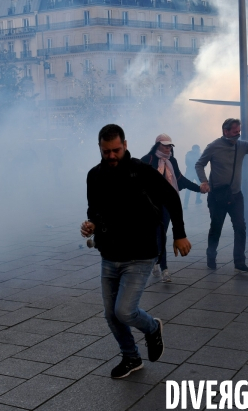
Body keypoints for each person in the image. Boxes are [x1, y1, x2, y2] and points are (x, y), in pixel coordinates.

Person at [80, 124, 192, 379]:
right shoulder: (94, 175)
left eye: (116, 150)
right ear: (99, 147)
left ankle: (152, 328)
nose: (111, 156)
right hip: (109, 254)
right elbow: (94, 209)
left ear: (125, 145)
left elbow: (171, 198)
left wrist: (179, 234)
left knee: (125, 311)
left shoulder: (142, 171)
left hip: (140, 254)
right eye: (106, 151)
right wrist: (91, 224)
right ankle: (131, 357)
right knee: (111, 315)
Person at [195, 118, 248, 272]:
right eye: (234, 132)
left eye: (239, 132)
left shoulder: (241, 145)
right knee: (216, 227)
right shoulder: (214, 146)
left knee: (240, 227)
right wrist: (204, 181)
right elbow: (199, 164)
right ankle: (211, 255)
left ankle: (239, 261)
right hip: (217, 196)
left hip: (235, 194)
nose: (237, 135)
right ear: (225, 131)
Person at [141, 134, 205, 283]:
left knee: (161, 234)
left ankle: (162, 267)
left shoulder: (172, 161)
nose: (168, 148)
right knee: (156, 234)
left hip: (167, 205)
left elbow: (180, 180)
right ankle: (159, 264)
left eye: (170, 145)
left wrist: (199, 189)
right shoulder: (148, 160)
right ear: (157, 145)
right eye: (165, 145)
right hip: (151, 205)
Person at [183, 145, 203, 209]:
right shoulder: (192, 154)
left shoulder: (198, 154)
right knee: (189, 188)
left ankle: (197, 200)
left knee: (200, 186)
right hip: (192, 172)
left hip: (194, 172)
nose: (197, 150)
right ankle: (186, 204)